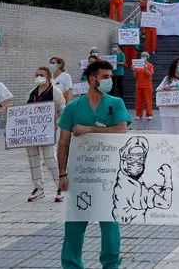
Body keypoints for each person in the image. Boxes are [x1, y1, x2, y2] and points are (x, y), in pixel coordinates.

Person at [58, 60, 130, 269]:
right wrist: (62, 174)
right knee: (74, 224)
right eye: (105, 77)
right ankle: (71, 264)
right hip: (81, 174)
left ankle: (110, 264)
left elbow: (121, 130)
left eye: (110, 77)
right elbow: (63, 142)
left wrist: (89, 129)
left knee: (109, 224)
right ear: (92, 79)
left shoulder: (115, 103)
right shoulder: (73, 108)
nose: (109, 80)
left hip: (109, 174)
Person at [24, 66, 66, 202]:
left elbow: (62, 110)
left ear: (48, 76)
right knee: (33, 160)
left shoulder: (55, 92)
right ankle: (38, 188)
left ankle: (60, 186)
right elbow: (25, 111)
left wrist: (56, 124)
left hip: (48, 132)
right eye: (36, 75)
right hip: (32, 133)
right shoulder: (32, 92)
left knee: (50, 159)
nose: (38, 77)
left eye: (41, 75)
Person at [156, 58, 179, 135]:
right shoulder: (167, 79)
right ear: (174, 66)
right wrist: (164, 89)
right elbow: (158, 91)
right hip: (167, 113)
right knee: (168, 135)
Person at [133, 52, 155, 121]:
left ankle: (149, 114)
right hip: (139, 85)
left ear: (147, 57)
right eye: (142, 55)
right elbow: (135, 76)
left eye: (145, 56)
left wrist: (145, 68)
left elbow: (150, 74)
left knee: (148, 101)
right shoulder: (138, 65)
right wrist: (134, 70)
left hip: (147, 85)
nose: (143, 57)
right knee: (139, 101)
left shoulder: (150, 65)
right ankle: (138, 115)